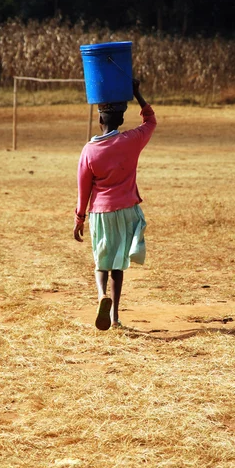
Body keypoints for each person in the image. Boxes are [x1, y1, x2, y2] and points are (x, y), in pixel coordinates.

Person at [74, 79, 157, 330]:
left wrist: (79, 218)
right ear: (121, 121)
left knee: (102, 262)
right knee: (118, 265)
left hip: (101, 212)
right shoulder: (131, 140)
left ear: (100, 121)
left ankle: (101, 296)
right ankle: (116, 317)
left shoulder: (89, 151)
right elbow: (150, 121)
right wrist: (137, 93)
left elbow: (83, 188)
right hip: (127, 211)